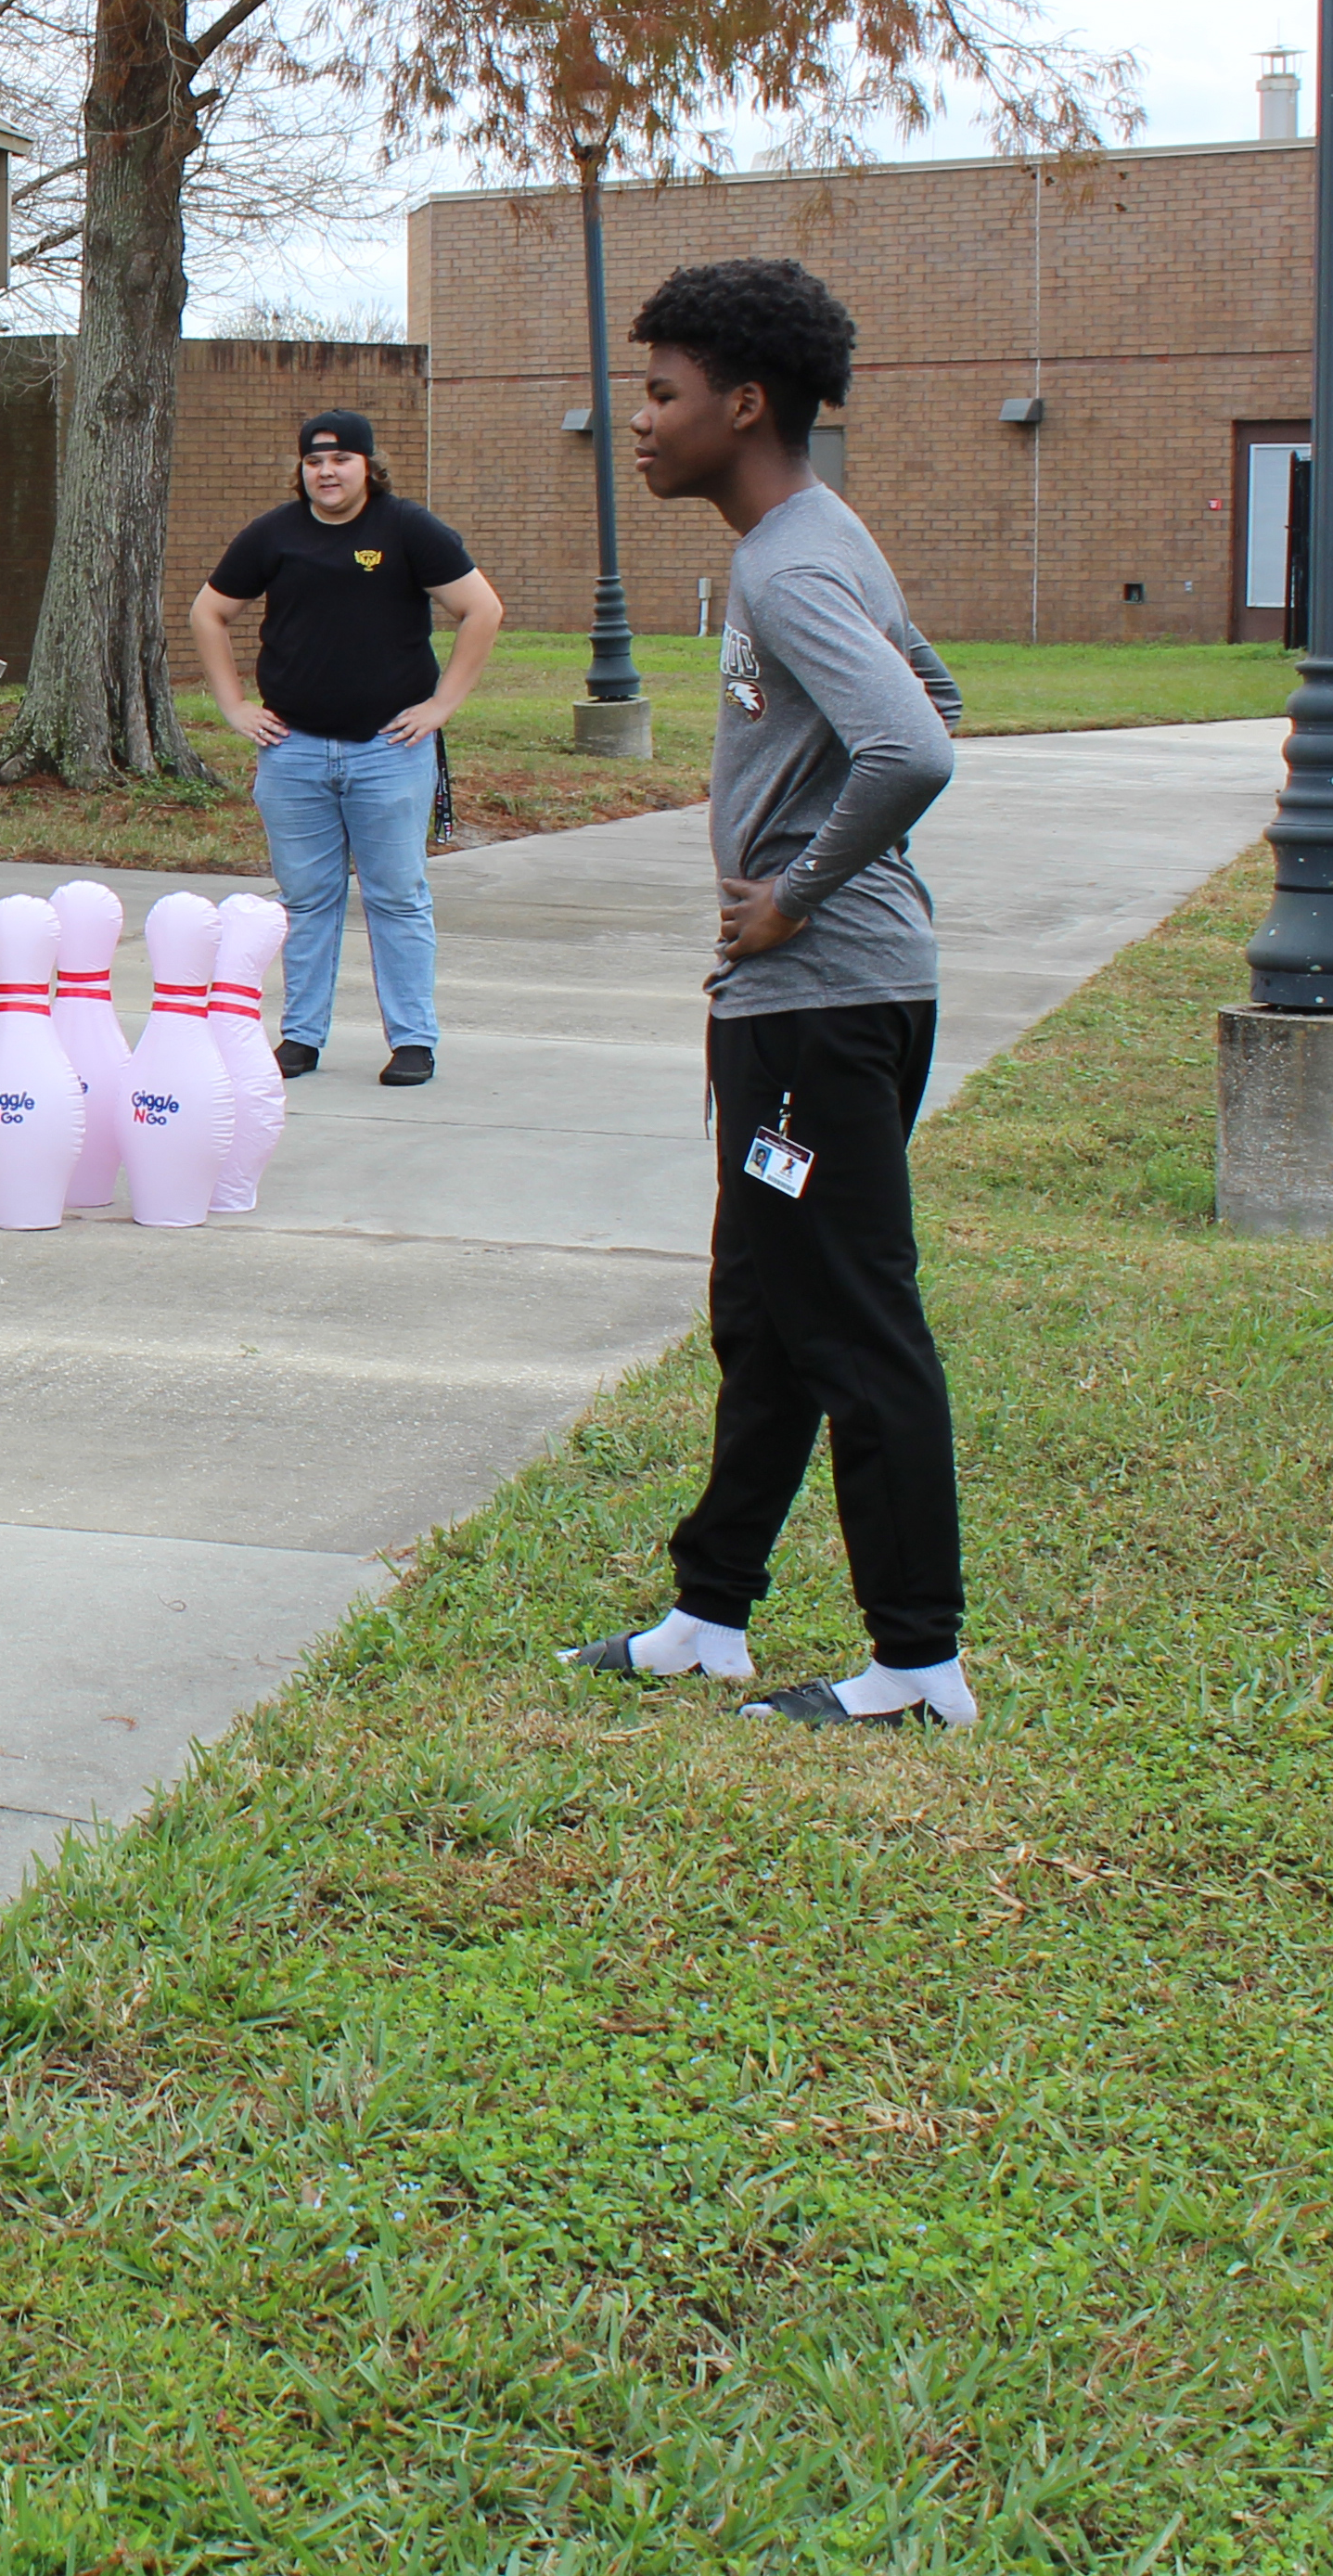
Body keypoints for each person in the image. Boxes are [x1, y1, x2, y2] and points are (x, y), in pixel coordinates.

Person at [559, 258, 980, 1730]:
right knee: (765, 1306)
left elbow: (917, 750)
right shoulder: (817, 539)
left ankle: (918, 1663)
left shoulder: (790, 563)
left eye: (663, 396)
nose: (643, 425)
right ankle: (710, 1615)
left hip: (822, 998)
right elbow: (934, 692)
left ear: (746, 404)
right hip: (811, 1000)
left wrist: (795, 890)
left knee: (854, 1318)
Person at [186, 411, 506, 1087]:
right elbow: (208, 612)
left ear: (367, 466)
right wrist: (234, 705)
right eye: (313, 461)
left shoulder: (407, 528)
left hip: (388, 748)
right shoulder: (275, 534)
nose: (325, 472)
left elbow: (482, 610)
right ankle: (301, 1038)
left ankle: (413, 1041)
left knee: (397, 896)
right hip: (294, 751)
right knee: (306, 900)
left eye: (340, 460)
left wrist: (442, 705)